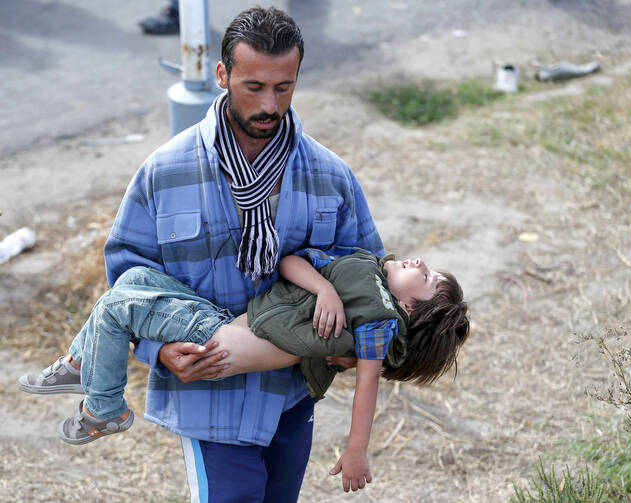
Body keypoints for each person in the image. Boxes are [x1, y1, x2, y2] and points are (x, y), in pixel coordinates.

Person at [48, 6, 383, 501]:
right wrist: (158, 352)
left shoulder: (330, 176)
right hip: (206, 397)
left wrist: (350, 345)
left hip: (291, 398)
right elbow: (128, 285)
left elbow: (368, 272)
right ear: (222, 74)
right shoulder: (166, 171)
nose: (270, 104)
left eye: (284, 87)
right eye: (254, 87)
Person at [19, 247, 470, 493]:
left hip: (215, 341)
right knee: (133, 282)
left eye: (429, 279)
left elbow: (367, 384)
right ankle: (82, 364)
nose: (420, 263)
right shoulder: (364, 271)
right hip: (218, 322)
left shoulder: (378, 321)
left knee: (119, 307)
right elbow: (292, 261)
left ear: (411, 309)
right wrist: (325, 292)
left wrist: (357, 450)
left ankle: (105, 407)